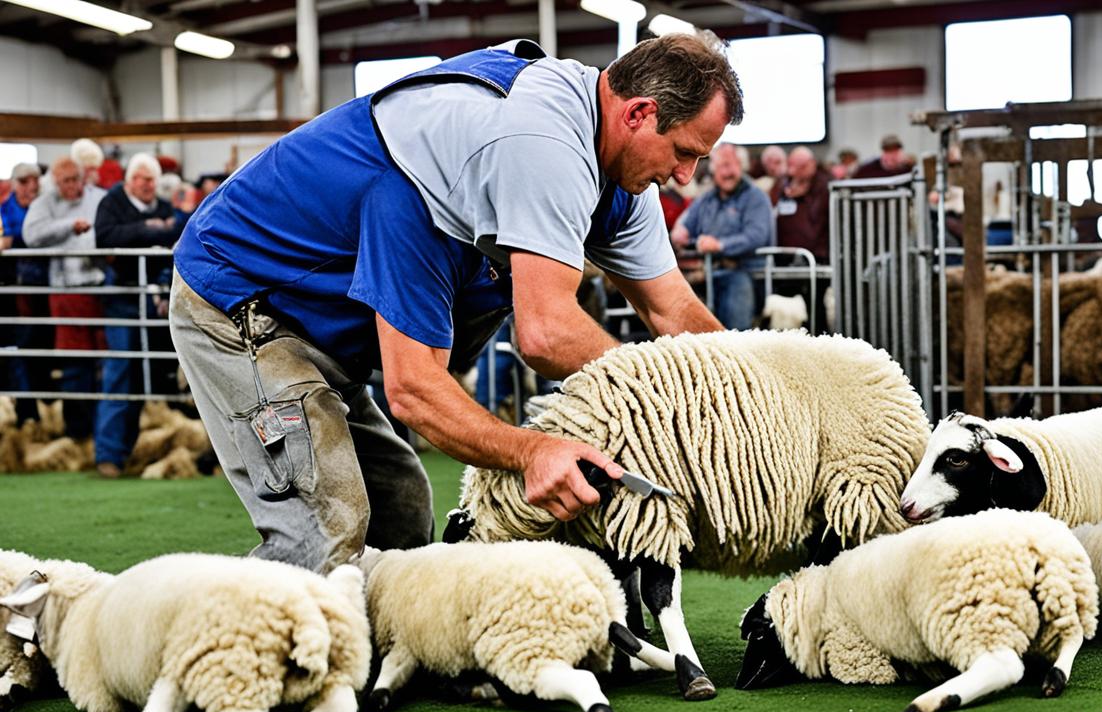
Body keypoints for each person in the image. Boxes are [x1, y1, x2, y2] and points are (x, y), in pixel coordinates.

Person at [168, 34, 743, 574]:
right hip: (245, 304)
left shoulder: (615, 174)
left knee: (403, 518)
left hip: (329, 332)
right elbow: (523, 343)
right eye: (684, 152)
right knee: (325, 537)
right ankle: (208, 656)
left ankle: (374, 670)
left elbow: (675, 314)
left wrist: (753, 395)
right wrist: (548, 444)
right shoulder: (506, 156)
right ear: (639, 113)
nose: (686, 177)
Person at [93, 152, 186, 478]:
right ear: (130, 180)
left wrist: (151, 232)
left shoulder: (162, 207)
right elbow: (105, 237)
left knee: (155, 371)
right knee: (120, 368)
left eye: (152, 180)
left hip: (153, 296)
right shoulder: (112, 203)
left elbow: (176, 232)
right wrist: (150, 228)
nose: (149, 185)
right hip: (121, 295)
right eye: (143, 179)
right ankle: (108, 454)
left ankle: (137, 452)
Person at [22, 156, 107, 439]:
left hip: (99, 287)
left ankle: (100, 428)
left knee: (105, 359)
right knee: (74, 363)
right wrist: (69, 226)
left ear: (83, 178)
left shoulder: (99, 198)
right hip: (66, 291)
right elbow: (30, 234)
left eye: (75, 179)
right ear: (55, 183)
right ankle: (78, 433)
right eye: (65, 181)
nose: (72, 186)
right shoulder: (45, 204)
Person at [671, 142, 774, 330]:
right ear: (713, 170)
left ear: (741, 166)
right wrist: (681, 231)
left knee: (736, 288)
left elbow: (756, 236)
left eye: (731, 165)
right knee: (673, 293)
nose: (727, 172)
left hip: (745, 272)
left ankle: (736, 352)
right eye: (721, 166)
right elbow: (685, 225)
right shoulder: (706, 199)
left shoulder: (756, 197)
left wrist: (720, 245)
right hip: (707, 272)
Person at [2, 162, 52, 426]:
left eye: (35, 181)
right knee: (19, 350)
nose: (31, 187)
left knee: (39, 350)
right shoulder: (5, 211)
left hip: (44, 289)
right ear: (14, 184)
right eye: (24, 182)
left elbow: (22, 237)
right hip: (14, 293)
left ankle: (37, 412)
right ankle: (27, 413)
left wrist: (14, 240)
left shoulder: (45, 208)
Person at [773, 146, 830, 264]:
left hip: (818, 254)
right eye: (791, 166)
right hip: (784, 254)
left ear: (812, 164)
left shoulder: (825, 185)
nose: (793, 172)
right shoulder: (782, 185)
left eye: (801, 167)